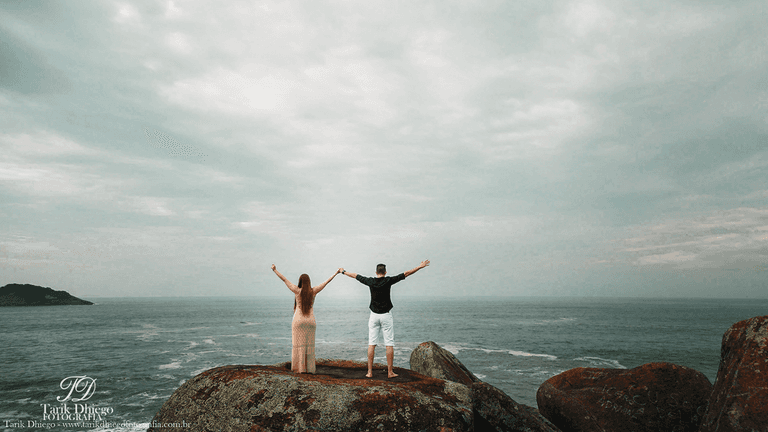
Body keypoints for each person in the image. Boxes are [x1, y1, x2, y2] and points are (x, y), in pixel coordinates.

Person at [340, 260, 430, 378]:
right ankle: (390, 372)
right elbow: (406, 273)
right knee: (389, 344)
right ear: (385, 272)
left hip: (373, 316)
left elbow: (355, 276)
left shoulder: (370, 281)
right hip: (386, 316)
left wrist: (343, 272)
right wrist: (420, 266)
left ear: (376, 272)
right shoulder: (388, 281)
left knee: (372, 344)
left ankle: (369, 372)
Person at [271, 264, 340, 374]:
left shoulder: (297, 291)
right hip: (310, 322)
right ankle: (309, 369)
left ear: (300, 281)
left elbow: (284, 279)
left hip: (298, 321)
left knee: (298, 345)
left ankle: (299, 368)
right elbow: (326, 282)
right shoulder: (314, 291)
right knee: (309, 346)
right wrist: (336, 273)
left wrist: (275, 270)